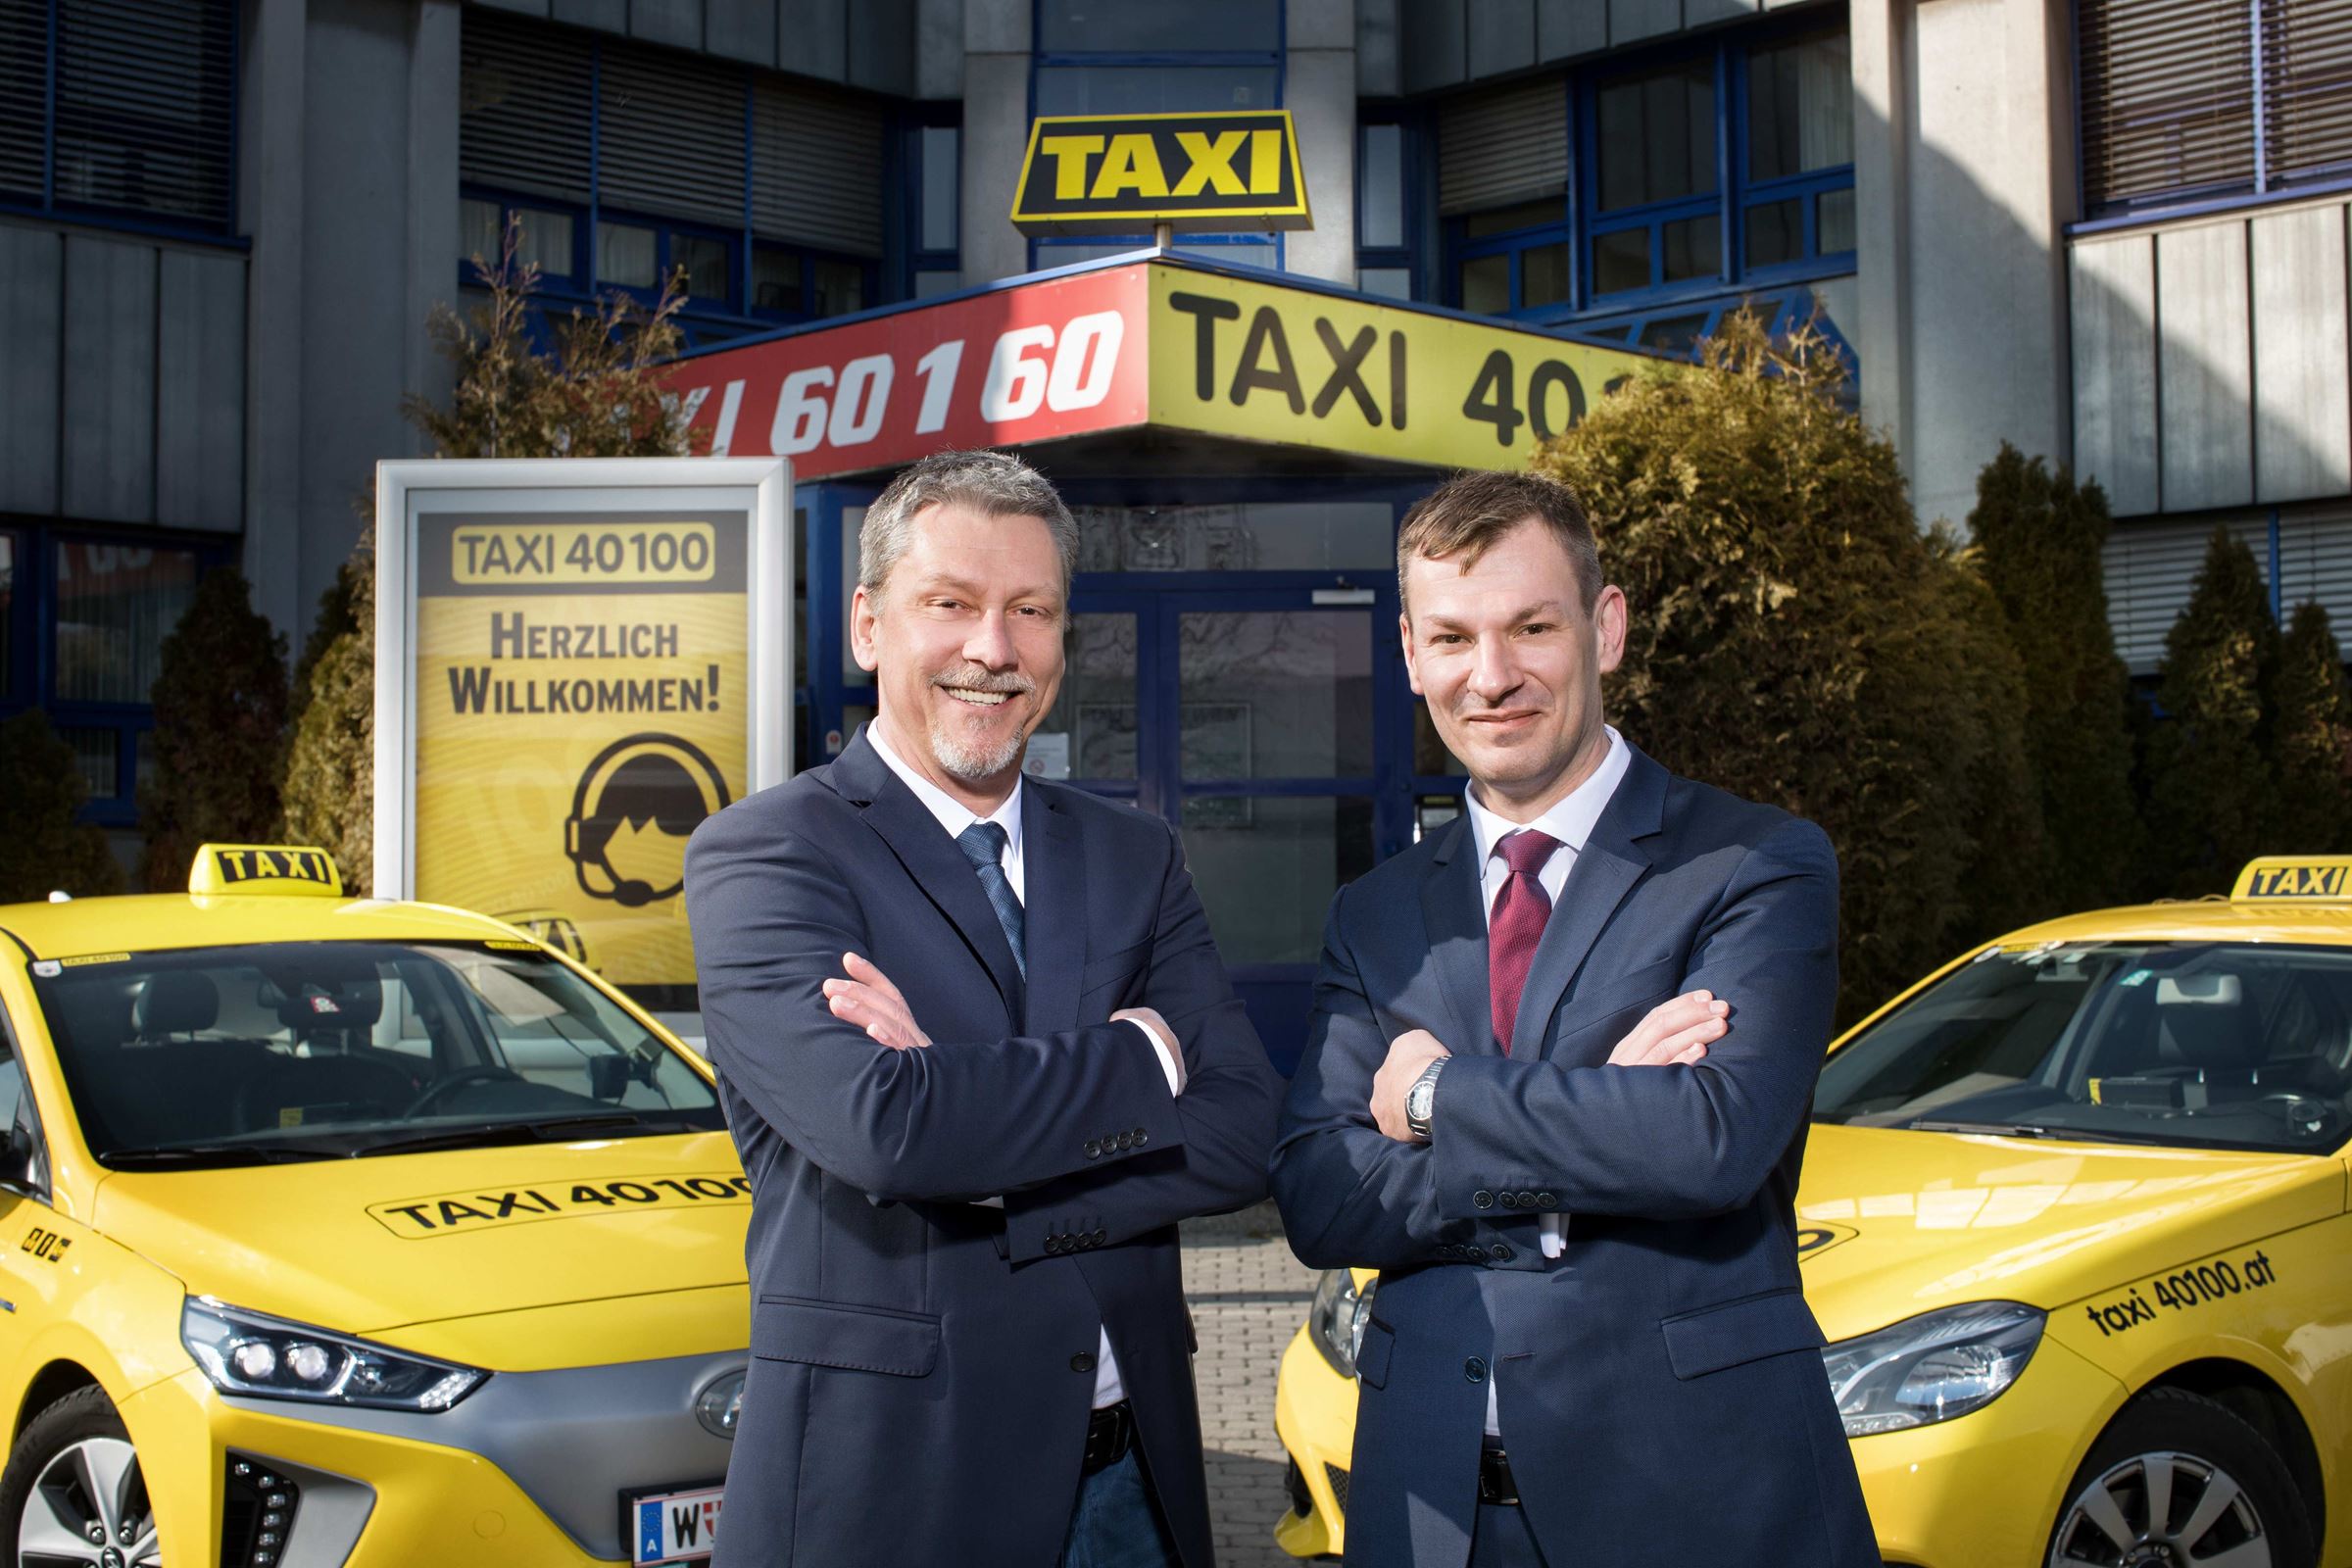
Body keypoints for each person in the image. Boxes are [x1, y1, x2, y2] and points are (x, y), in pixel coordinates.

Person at [685, 450, 1283, 1568]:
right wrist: (1135, 1059)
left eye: (1030, 611)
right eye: (949, 605)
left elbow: (1249, 1125)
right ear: (868, 625)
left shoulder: (1132, 852)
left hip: (1133, 1492)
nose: (993, 649)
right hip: (894, 1496)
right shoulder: (768, 853)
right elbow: (882, 1126)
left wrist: (984, 1152)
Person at [1270, 469, 1877, 1568]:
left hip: (1692, 1501)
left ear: (1605, 629)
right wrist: (1601, 1123)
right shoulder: (1375, 915)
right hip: (1429, 1509)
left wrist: (1433, 1097)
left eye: (1530, 628)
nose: (1490, 676)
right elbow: (1322, 1191)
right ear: (1411, 656)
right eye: (1452, 638)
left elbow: (1709, 1142)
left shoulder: (1753, 863)